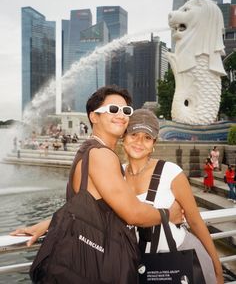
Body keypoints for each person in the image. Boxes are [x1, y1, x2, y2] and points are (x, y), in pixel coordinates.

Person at [11, 87, 182, 275]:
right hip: (99, 266)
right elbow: (133, 213)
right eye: (113, 110)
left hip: (85, 263)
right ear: (94, 117)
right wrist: (168, 215)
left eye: (126, 111)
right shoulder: (101, 155)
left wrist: (48, 223)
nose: (121, 115)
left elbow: (86, 205)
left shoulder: (88, 150)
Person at [122, 109, 223, 284]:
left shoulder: (170, 172)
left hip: (179, 259)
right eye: (134, 134)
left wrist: (217, 268)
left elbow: (195, 221)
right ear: (124, 137)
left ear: (154, 143)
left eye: (147, 137)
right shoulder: (116, 174)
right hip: (136, 264)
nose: (139, 142)